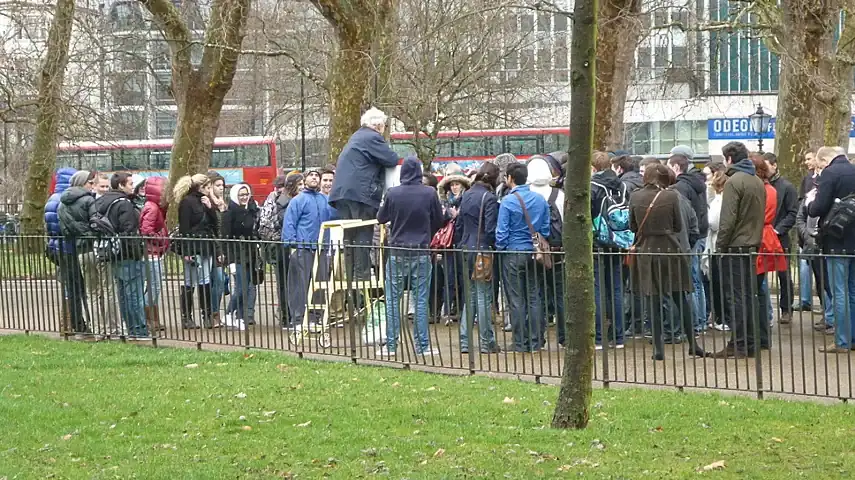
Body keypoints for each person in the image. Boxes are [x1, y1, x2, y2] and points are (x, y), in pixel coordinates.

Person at [629, 163, 707, 360]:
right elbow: (677, 225)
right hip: (670, 249)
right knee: (680, 298)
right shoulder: (671, 196)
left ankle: (658, 349)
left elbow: (632, 226)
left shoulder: (635, 196)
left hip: (646, 250)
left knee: (653, 301)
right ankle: (693, 343)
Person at [377, 156, 444, 357]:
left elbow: (381, 217)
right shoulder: (429, 193)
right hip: (421, 250)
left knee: (392, 300)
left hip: (397, 250)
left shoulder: (393, 193)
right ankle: (422, 346)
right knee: (421, 300)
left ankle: (390, 345)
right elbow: (439, 220)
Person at [328, 107, 399, 282]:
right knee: (362, 237)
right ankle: (362, 279)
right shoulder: (372, 137)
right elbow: (392, 158)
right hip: (361, 194)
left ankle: (350, 280)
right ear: (379, 125)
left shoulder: (356, 137)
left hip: (342, 194)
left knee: (349, 239)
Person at [712, 142, 765, 359]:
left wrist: (720, 247)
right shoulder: (756, 181)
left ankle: (739, 344)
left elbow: (728, 219)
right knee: (747, 295)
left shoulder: (734, 181)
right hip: (752, 244)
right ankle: (749, 342)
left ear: (730, 159)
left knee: (736, 297)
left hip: (735, 246)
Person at [496, 162, 550, 353]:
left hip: (513, 252)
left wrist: (500, 249)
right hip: (535, 252)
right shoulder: (540, 199)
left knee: (516, 299)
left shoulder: (508, 202)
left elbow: (501, 233)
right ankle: (536, 341)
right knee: (535, 296)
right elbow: (545, 229)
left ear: (510, 178)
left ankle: (519, 342)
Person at [807, 146, 855, 353]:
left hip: (837, 239)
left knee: (839, 291)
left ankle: (842, 340)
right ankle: (852, 337)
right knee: (852, 290)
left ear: (825, 160)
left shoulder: (830, 173)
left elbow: (819, 207)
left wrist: (810, 205)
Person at [92, 172, 150, 339]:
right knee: (134, 295)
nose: (133, 186)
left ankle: (132, 328)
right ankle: (138, 329)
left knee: (124, 295)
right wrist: (137, 252)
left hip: (114, 252)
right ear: (121, 186)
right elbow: (129, 231)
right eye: (130, 184)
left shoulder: (103, 201)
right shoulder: (124, 204)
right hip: (128, 255)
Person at [454, 162, 501, 354]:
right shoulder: (489, 198)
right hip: (482, 249)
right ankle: (486, 341)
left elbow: (459, 226)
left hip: (464, 247)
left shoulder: (466, 195)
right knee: (483, 295)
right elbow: (490, 229)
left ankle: (465, 341)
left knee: (470, 295)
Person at [283, 169, 337, 330]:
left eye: (317, 176)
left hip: (321, 248)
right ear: (305, 179)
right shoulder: (298, 201)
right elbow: (289, 222)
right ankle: (298, 319)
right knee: (299, 285)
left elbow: (335, 218)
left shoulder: (326, 200)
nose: (314, 178)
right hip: (303, 248)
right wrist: (291, 243)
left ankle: (315, 317)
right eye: (311, 175)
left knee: (319, 285)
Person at [668, 146, 709, 335]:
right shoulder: (697, 182)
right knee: (696, 280)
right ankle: (700, 320)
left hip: (690, 237)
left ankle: (692, 323)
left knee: (690, 281)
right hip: (699, 234)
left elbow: (684, 214)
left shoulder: (681, 187)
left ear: (677, 166)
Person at [528, 155, 566, 345]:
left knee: (536, 294)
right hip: (557, 250)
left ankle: (537, 337)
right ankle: (564, 336)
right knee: (560, 294)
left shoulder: (524, 195)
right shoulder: (560, 195)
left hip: (534, 250)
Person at [590, 151, 626, 349]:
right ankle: (619, 337)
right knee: (616, 288)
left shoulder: (592, 187)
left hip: (597, 241)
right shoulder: (621, 185)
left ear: (593, 168)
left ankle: (597, 337)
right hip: (617, 241)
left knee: (596, 290)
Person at [174, 174, 220, 329]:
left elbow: (215, 225)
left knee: (205, 280)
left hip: (206, 246)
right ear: (201, 187)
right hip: (193, 246)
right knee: (189, 281)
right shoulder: (187, 203)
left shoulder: (205, 201)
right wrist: (186, 252)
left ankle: (206, 316)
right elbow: (184, 228)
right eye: (208, 187)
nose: (209, 190)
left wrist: (210, 208)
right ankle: (187, 317)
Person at [258, 174, 301, 327]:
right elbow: (275, 223)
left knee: (292, 282)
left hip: (289, 245)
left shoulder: (296, 200)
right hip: (281, 246)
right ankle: (286, 315)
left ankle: (292, 315)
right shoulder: (282, 202)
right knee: (285, 282)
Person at [752, 155, 785, 340]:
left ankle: (760, 333)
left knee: (756, 287)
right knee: (760, 286)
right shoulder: (771, 189)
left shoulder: (762, 190)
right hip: (766, 235)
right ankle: (763, 333)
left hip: (760, 236)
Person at [763, 153, 798, 324]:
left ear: (775, 165)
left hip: (779, 236)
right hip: (763, 235)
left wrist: (778, 230)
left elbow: (793, 212)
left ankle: (786, 308)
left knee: (783, 275)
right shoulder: (760, 185)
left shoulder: (787, 187)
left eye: (766, 166)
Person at [56, 169, 91, 337]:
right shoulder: (75, 200)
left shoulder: (57, 199)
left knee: (70, 288)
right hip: (74, 247)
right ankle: (78, 324)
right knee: (79, 288)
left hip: (60, 247)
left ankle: (68, 324)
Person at [222, 183, 262, 326]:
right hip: (237, 254)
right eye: (241, 195)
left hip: (250, 254)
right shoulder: (229, 213)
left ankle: (239, 316)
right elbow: (226, 237)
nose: (244, 197)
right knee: (241, 288)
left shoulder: (251, 211)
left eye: (246, 194)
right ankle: (228, 313)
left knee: (247, 287)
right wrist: (230, 259)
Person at [436, 168, 471, 323]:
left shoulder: (466, 200)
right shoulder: (444, 202)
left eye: (457, 184)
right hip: (448, 244)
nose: (454, 187)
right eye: (452, 185)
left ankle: (463, 311)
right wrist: (447, 215)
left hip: (461, 241)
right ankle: (447, 312)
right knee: (449, 278)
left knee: (463, 278)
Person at [139, 176, 169, 334]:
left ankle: (150, 320)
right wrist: (161, 239)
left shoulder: (153, 206)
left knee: (153, 287)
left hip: (153, 252)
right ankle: (146, 319)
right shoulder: (152, 207)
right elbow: (146, 230)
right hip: (151, 253)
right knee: (154, 287)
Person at [701, 163, 728, 331]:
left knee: (719, 281)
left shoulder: (720, 198)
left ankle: (722, 317)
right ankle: (718, 315)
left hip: (717, 241)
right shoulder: (715, 197)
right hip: (715, 241)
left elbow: (714, 221)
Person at [206, 172, 229, 324]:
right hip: (212, 248)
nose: (221, 188)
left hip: (222, 247)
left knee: (220, 281)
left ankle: (214, 312)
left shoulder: (223, 203)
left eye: (222, 186)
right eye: (218, 185)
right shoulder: (208, 204)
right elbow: (213, 229)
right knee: (217, 280)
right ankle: (212, 313)